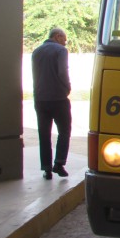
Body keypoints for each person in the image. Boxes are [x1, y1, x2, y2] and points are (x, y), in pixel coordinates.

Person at [31, 28, 72, 180]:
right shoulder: (61, 51)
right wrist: (67, 87)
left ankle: (46, 169)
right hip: (59, 98)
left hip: (41, 99)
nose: (65, 42)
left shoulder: (36, 51)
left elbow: (35, 75)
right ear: (57, 36)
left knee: (44, 134)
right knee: (64, 131)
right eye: (64, 38)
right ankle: (59, 163)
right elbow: (63, 72)